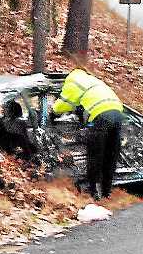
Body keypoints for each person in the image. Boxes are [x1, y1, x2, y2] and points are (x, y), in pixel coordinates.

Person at [53, 66, 125, 198]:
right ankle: (106, 192)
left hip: (101, 117)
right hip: (118, 114)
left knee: (95, 156)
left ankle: (93, 192)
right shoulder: (93, 81)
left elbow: (59, 107)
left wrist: (52, 111)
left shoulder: (72, 83)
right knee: (110, 156)